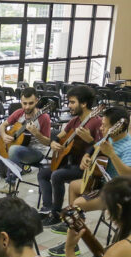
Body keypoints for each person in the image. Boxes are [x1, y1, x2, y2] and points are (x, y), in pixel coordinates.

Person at [47, 106, 131, 257]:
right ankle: (75, 226)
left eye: (104, 125)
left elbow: (128, 175)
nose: (101, 128)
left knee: (77, 205)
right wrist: (86, 157)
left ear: (118, 127)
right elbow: (94, 147)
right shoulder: (110, 136)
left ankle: (74, 238)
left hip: (119, 191)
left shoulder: (129, 147)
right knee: (73, 186)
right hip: (103, 183)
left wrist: (112, 154)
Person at [38, 85, 102, 227]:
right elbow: (59, 137)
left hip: (85, 168)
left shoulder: (96, 122)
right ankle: (47, 208)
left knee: (57, 175)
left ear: (84, 104)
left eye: (72, 102)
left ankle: (56, 214)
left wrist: (90, 141)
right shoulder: (74, 121)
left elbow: (102, 147)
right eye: (69, 102)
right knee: (43, 173)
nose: (69, 106)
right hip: (70, 162)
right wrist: (54, 143)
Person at [0, 87, 51, 197]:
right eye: (24, 103)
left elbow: (48, 142)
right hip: (16, 148)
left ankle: (10, 184)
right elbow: (3, 125)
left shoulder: (43, 117)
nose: (27, 107)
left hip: (36, 152)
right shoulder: (19, 113)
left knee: (13, 149)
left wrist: (36, 133)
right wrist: (4, 135)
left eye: (31, 103)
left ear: (36, 101)